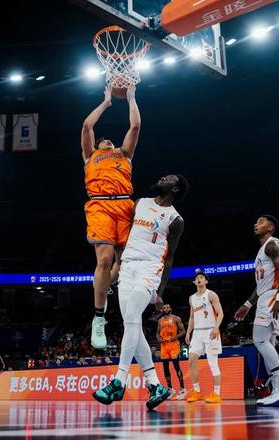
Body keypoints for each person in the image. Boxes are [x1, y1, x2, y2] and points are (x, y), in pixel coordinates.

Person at [93, 174, 188, 411]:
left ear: (175, 189)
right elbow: (123, 235)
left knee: (132, 319)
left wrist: (160, 292)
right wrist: (117, 262)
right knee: (132, 324)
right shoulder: (141, 203)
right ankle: (155, 385)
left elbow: (170, 258)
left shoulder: (175, 219)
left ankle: (118, 381)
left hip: (149, 269)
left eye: (169, 178)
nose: (163, 177)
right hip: (127, 267)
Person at [81, 85, 141, 349]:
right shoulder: (90, 156)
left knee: (124, 264)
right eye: (102, 140)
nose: (106, 140)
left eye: (109, 140)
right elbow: (87, 126)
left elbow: (135, 126)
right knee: (104, 260)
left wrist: (131, 98)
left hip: (125, 206)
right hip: (100, 205)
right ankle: (99, 317)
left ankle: (103, 287)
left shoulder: (124, 155)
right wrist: (106, 102)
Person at [234, 215, 279, 407]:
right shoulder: (263, 250)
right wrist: (247, 304)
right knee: (267, 343)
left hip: (273, 295)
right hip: (267, 295)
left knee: (259, 339)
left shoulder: (271, 244)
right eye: (256, 221)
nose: (256, 224)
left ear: (270, 228)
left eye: (261, 222)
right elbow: (261, 285)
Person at [185, 272, 224, 404]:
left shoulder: (211, 295)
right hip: (197, 333)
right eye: (197, 278)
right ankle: (197, 392)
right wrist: (188, 332)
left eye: (202, 278)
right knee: (191, 361)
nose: (199, 279)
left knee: (213, 363)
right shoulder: (191, 298)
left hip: (211, 331)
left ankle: (217, 394)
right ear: (194, 282)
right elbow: (192, 317)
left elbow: (220, 313)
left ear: (206, 281)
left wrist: (216, 327)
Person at [156, 303, 186, 400]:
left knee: (176, 366)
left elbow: (183, 331)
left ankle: (182, 388)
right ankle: (170, 389)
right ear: (162, 310)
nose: (166, 309)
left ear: (170, 308)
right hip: (164, 345)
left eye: (168, 307)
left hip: (173, 344)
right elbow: (157, 333)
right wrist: (159, 339)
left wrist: (175, 337)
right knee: (165, 368)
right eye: (164, 308)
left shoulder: (176, 318)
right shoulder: (160, 320)